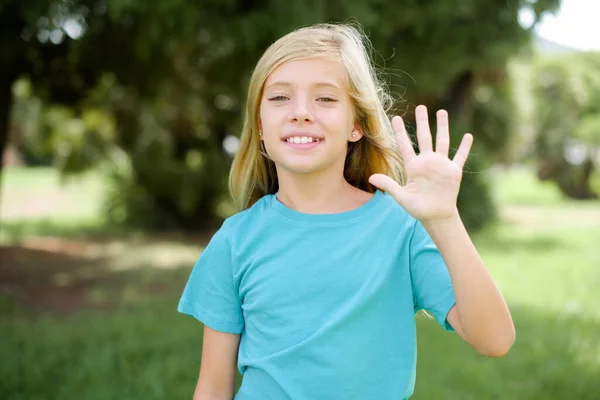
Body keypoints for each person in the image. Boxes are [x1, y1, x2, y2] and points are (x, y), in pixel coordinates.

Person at [178, 22, 515, 400]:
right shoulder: (235, 240)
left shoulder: (399, 229)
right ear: (260, 125)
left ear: (356, 124)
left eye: (325, 98)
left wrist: (444, 220)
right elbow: (212, 387)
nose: (301, 112)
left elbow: (495, 339)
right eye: (279, 98)